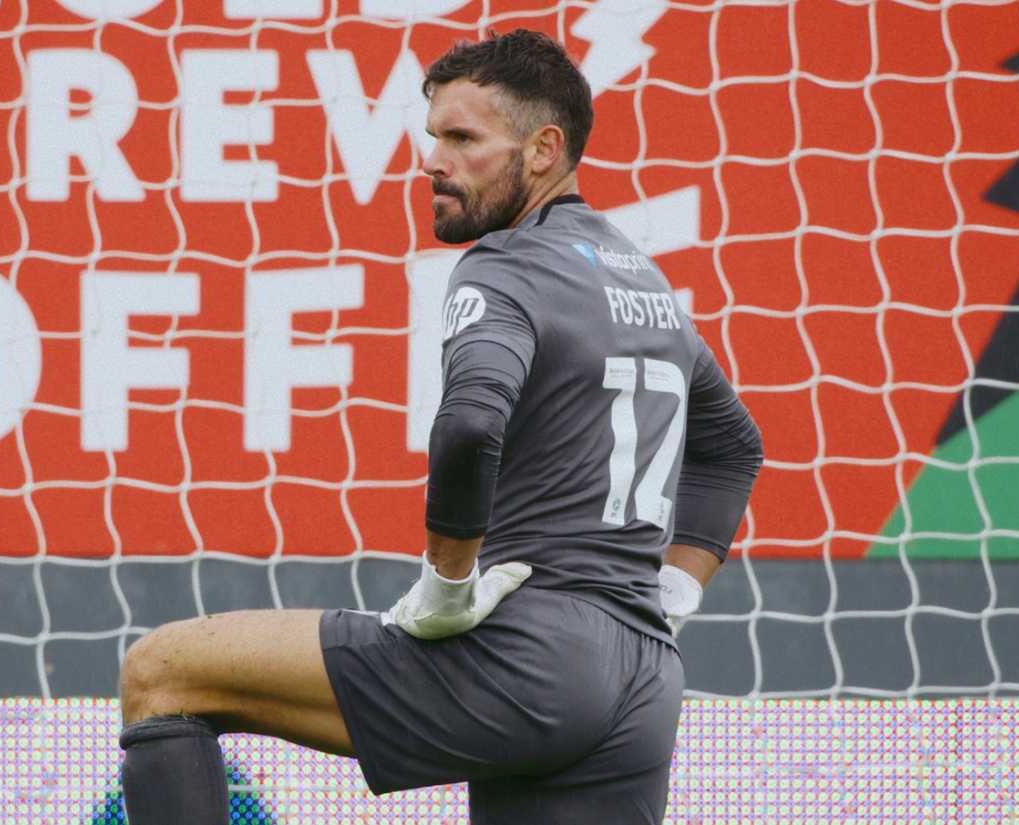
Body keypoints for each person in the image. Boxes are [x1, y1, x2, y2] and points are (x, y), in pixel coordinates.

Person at [116, 29, 763, 824]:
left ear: (542, 150)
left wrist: (446, 589)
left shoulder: (505, 264)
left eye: (463, 138)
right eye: (432, 137)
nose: (433, 159)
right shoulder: (647, 281)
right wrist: (670, 594)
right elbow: (734, 446)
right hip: (643, 681)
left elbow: (467, 426)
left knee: (163, 670)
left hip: (530, 660)